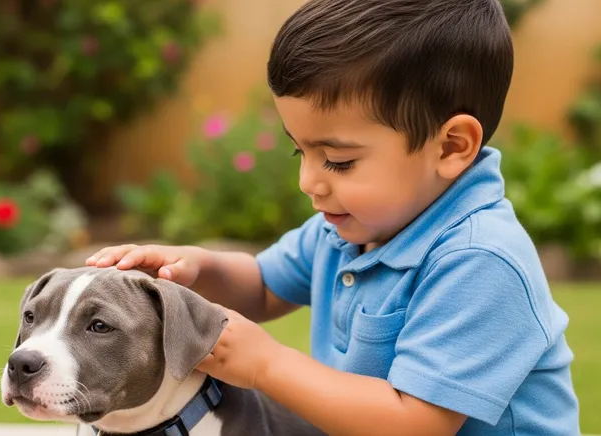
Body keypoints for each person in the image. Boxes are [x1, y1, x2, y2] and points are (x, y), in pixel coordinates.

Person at [86, 0, 580, 434]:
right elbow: (263, 286)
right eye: (297, 151)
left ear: (451, 146)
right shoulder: (350, 227)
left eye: (339, 160)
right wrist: (196, 271)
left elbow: (413, 424)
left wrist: (266, 364)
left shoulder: (479, 260)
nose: (309, 181)